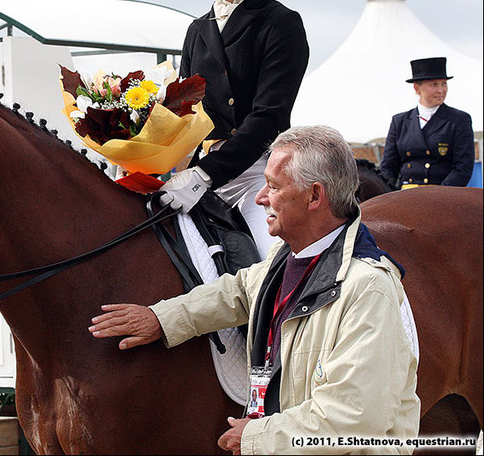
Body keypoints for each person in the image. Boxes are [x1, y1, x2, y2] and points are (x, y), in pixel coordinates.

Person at [90, 125, 420, 455]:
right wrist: (160, 318)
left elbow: (355, 416)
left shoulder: (368, 287)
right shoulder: (286, 256)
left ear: (315, 196)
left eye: (273, 187)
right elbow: (239, 291)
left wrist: (257, 437)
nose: (260, 197)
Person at [159, 0, 309, 259]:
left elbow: (268, 118)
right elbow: (184, 112)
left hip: (258, 175)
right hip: (198, 173)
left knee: (276, 263)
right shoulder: (198, 30)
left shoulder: (282, 24)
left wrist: (206, 174)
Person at [379, 57, 474, 189]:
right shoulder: (399, 121)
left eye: (444, 84)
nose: (441, 90)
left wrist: (440, 194)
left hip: (442, 195)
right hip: (405, 195)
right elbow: (388, 167)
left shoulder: (458, 120)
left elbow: (463, 167)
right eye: (434, 84)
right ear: (417, 88)